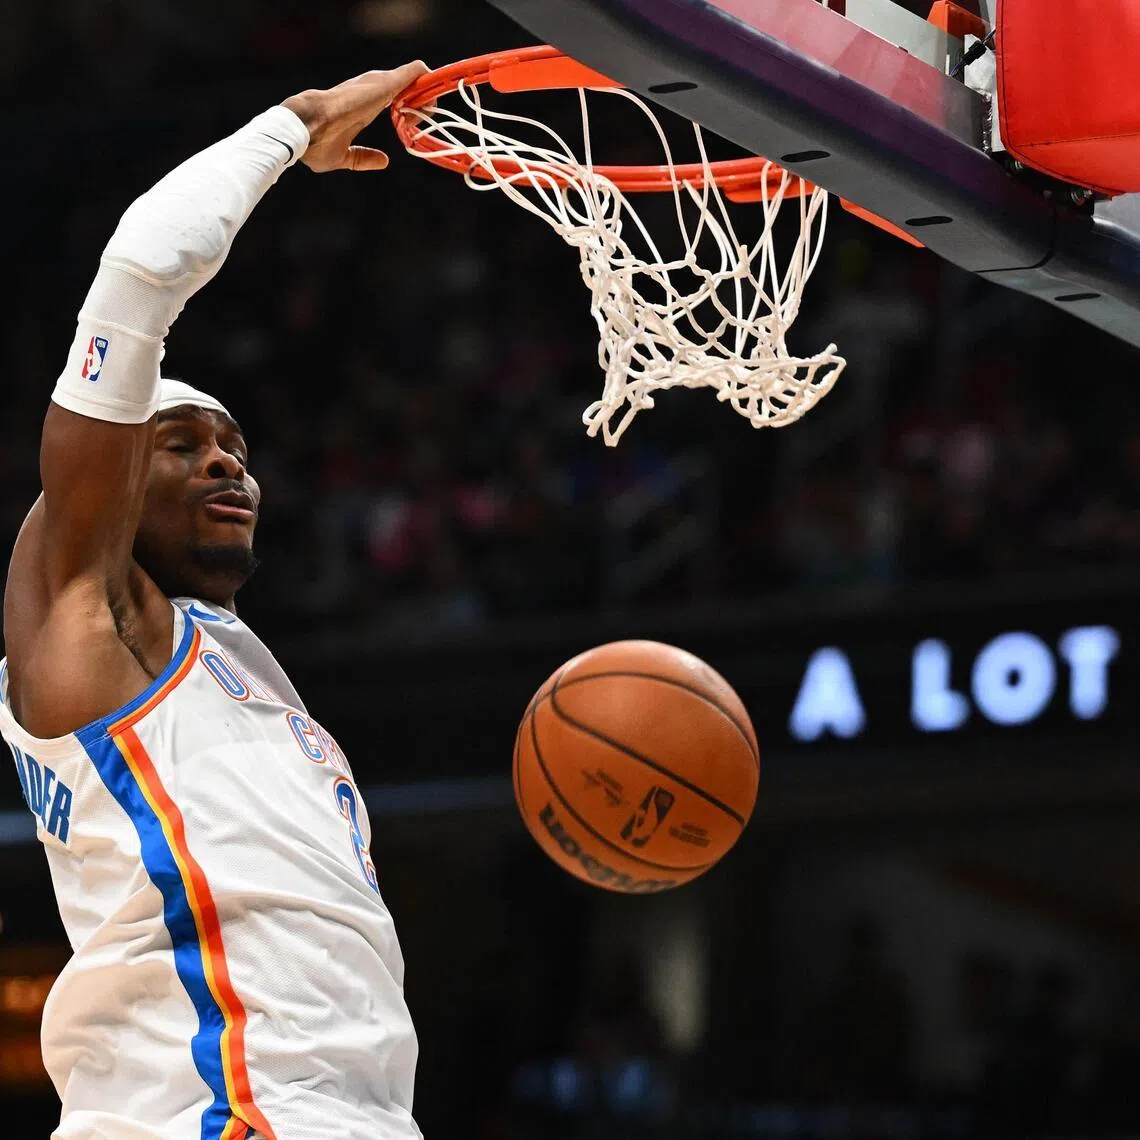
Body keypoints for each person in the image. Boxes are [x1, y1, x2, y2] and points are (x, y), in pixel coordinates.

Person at [0, 62, 430, 1140]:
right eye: (180, 446)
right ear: (103, 489)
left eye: (236, 449)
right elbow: (142, 270)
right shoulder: (87, 625)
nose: (227, 466)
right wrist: (291, 127)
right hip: (220, 1117)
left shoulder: (241, 677)